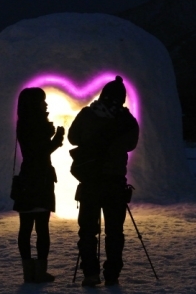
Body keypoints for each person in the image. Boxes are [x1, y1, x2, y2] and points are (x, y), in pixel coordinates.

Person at [68, 76, 139, 287]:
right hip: (115, 182)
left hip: (90, 181)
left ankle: (90, 273)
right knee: (114, 231)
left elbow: (73, 138)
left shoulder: (87, 114)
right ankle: (112, 275)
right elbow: (131, 145)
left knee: (88, 230)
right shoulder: (127, 121)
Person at [12, 87, 65, 283]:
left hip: (26, 179)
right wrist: (58, 138)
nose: (46, 104)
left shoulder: (23, 124)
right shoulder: (41, 126)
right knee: (42, 228)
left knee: (25, 228)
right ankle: (41, 271)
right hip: (42, 179)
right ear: (36, 104)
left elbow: (32, 153)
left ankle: (28, 272)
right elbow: (42, 153)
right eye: (43, 101)